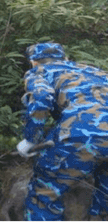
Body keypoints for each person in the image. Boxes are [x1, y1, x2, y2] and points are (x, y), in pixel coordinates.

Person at [16, 42, 108, 221]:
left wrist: (30, 139)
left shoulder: (40, 71)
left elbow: (42, 100)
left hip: (82, 132)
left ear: (33, 62)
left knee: (44, 193)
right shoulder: (96, 72)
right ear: (65, 58)